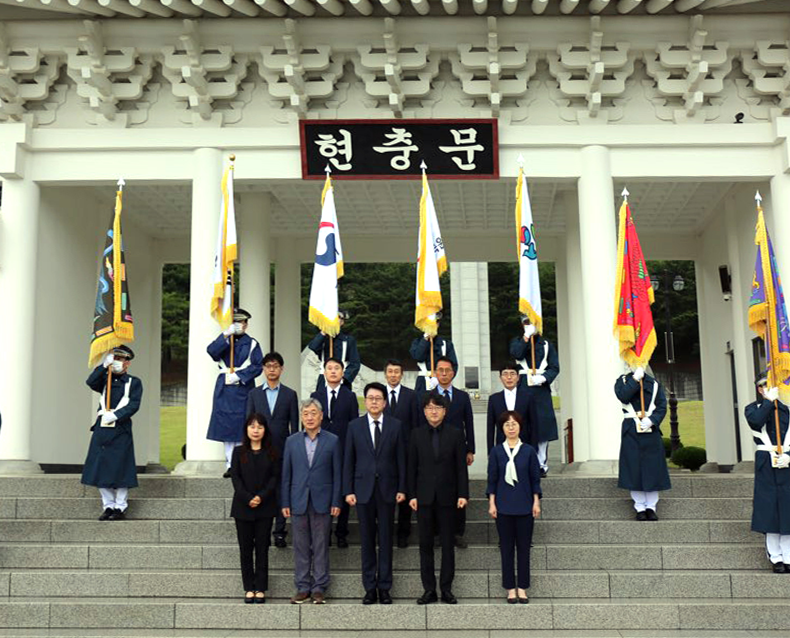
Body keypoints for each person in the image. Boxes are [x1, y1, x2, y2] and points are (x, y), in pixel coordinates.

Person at [344, 382, 407, 604]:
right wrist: (348, 490)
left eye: (378, 398)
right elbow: (348, 461)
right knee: (367, 540)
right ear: (365, 400)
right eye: (370, 398)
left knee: (386, 539)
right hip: (362, 491)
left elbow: (401, 459)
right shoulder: (355, 426)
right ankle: (369, 587)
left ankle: (385, 587)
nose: (374, 401)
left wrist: (402, 488)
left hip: (388, 490)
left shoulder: (396, 425)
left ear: (385, 402)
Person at [408, 392, 469, 605]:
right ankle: (429, 590)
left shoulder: (455, 434)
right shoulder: (416, 435)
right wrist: (412, 495)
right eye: (429, 408)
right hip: (423, 497)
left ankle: (446, 589)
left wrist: (463, 494)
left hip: (448, 497)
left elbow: (461, 468)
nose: (433, 411)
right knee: (425, 545)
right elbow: (412, 468)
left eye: (438, 408)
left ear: (445, 411)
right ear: (424, 412)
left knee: (447, 545)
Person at [281, 398, 342, 604]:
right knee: (300, 545)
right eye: (305, 413)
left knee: (321, 544)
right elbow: (286, 475)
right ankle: (302, 586)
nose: (309, 417)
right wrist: (285, 502)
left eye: (313, 413)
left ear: (321, 416)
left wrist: (336, 501)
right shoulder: (291, 441)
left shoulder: (332, 440)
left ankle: (319, 587)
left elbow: (337, 474)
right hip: (298, 500)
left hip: (323, 501)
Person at [81, 345, 142, 521]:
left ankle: (120, 507)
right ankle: (107, 505)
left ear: (127, 363)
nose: (117, 363)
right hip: (102, 429)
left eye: (121, 360)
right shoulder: (104, 379)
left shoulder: (133, 382)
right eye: (114, 359)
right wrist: (103, 365)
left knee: (121, 468)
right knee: (101, 467)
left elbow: (133, 405)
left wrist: (115, 415)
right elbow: (90, 382)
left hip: (120, 428)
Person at [487, 411, 542, 604]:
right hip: (503, 506)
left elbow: (535, 479)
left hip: (525, 505)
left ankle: (523, 588)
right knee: (507, 549)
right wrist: (492, 503)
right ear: (502, 429)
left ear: (520, 427)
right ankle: (510, 588)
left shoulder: (528, 451)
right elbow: (492, 479)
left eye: (514, 424)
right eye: (507, 424)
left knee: (524, 549)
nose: (511, 427)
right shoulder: (496, 452)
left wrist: (536, 501)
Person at [246, 351, 299, 548]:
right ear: (263, 369)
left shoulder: (290, 394)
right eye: (268, 366)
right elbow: (248, 423)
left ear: (281, 369)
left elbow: (295, 427)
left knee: (280, 491)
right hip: (258, 452)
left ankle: (279, 532)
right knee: (260, 489)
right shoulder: (254, 394)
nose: (272, 369)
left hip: (283, 451)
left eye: (275, 366)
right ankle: (261, 530)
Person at [206, 308, 264, 477]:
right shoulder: (225, 340)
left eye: (242, 322)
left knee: (242, 425)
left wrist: (239, 376)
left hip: (243, 387)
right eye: (236, 322)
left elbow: (257, 366)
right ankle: (231, 463)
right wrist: (226, 335)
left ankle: (242, 463)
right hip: (225, 387)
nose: (239, 325)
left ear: (246, 325)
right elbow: (212, 351)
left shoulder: (252, 343)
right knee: (226, 428)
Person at [230, 413, 281, 604]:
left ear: (265, 430)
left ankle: (260, 587)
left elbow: (274, 479)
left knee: (262, 548)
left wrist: (260, 497)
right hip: (242, 508)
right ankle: (248, 588)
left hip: (265, 507)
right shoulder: (238, 452)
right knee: (245, 549)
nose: (256, 430)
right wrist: (248, 497)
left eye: (259, 426)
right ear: (246, 429)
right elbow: (236, 478)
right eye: (252, 426)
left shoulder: (272, 452)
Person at [311, 357, 359, 548]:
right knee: (324, 490)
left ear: (342, 372)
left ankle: (341, 532)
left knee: (343, 489)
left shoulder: (350, 396)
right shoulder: (316, 395)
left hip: (344, 448)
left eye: (336, 368)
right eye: (329, 368)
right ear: (324, 372)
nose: (333, 372)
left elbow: (355, 424)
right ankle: (325, 531)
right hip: (321, 450)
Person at [745, 371, 790, 573]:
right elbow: (756, 422)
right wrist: (768, 402)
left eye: (771, 386)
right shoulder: (753, 409)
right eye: (763, 386)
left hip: (787, 462)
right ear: (759, 389)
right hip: (766, 463)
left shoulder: (788, 409)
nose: (767, 389)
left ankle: (789, 555)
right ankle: (776, 556)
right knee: (769, 510)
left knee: (788, 510)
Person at [429, 356, 475, 548]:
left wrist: (470, 449)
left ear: (453, 373)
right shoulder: (429, 396)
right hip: (434, 449)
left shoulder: (462, 396)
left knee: (458, 488)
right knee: (435, 489)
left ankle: (458, 532)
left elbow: (469, 423)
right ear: (435, 373)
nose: (444, 373)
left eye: (448, 370)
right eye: (440, 370)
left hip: (457, 450)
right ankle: (437, 533)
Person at [615, 366, 670, 521]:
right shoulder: (623, 381)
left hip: (649, 429)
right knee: (634, 469)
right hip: (631, 429)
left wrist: (652, 420)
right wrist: (635, 379)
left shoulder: (655, 384)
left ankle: (651, 507)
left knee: (652, 468)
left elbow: (661, 406)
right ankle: (639, 507)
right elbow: (624, 396)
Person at [509, 316, 559, 477]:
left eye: (533, 323)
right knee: (522, 426)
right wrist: (526, 337)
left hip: (540, 390)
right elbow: (516, 353)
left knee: (543, 428)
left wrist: (544, 378)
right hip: (522, 388)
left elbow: (554, 367)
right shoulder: (517, 341)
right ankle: (523, 462)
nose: (530, 325)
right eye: (526, 323)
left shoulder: (546, 345)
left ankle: (540, 463)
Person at [383, 358, 420, 548]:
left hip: (406, 452)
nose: (393, 375)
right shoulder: (378, 396)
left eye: (397, 372)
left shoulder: (411, 396)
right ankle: (387, 532)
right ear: (385, 374)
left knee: (405, 491)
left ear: (402, 374)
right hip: (384, 454)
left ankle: (403, 533)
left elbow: (416, 425)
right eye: (390, 371)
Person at [487, 363, 538, 452]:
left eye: (512, 374)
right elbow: (490, 427)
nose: (509, 377)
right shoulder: (494, 399)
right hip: (501, 447)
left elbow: (534, 425)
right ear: (500, 378)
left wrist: (534, 448)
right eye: (505, 374)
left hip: (524, 446)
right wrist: (490, 451)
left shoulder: (528, 397)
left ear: (518, 377)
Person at [308, 309, 361, 390]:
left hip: (342, 381)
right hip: (324, 379)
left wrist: (344, 378)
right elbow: (313, 347)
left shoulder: (348, 340)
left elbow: (355, 363)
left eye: (338, 318)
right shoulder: (322, 339)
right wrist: (323, 331)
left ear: (342, 322)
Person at [409, 312, 458, 394]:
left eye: (434, 323)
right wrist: (426, 339)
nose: (431, 326)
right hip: (423, 384)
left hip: (442, 384)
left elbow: (454, 366)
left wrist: (443, 379)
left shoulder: (446, 344)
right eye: (428, 324)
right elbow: (418, 356)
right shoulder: (417, 342)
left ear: (438, 324)